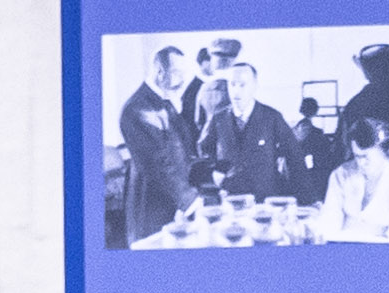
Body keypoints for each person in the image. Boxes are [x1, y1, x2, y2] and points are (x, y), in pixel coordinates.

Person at [117, 47, 197, 240]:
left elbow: (184, 150)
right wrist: (191, 201)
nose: (183, 79)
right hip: (151, 212)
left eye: (184, 73)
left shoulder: (164, 103)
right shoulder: (138, 109)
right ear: (160, 72)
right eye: (177, 73)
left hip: (173, 206)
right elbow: (159, 164)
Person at [200, 62, 301, 197]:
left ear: (254, 86)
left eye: (242, 85)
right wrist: (215, 173)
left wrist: (307, 198)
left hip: (265, 197)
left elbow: (294, 156)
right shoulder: (218, 118)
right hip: (231, 196)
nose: (236, 91)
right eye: (232, 84)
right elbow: (205, 149)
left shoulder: (272, 117)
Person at [320, 112, 389, 241]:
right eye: (356, 156)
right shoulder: (341, 174)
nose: (360, 163)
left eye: (365, 156)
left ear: (383, 151)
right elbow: (328, 224)